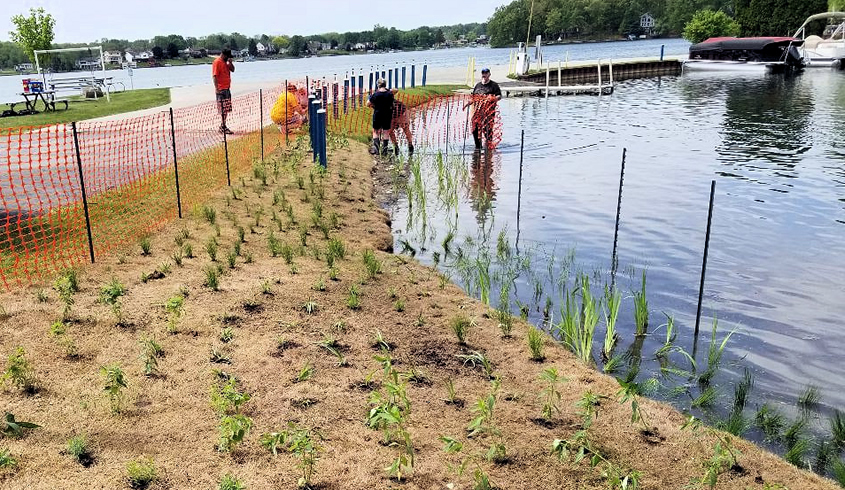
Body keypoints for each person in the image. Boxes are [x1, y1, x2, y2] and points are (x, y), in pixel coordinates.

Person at [464, 67, 501, 150]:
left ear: (489, 74)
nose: (484, 74)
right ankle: (478, 147)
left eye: (486, 73)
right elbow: (473, 98)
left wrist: (493, 98)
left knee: (487, 130)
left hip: (488, 113)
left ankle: (488, 149)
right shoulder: (478, 85)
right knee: (474, 129)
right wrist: (468, 103)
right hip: (477, 112)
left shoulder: (494, 85)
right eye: (483, 73)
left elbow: (499, 96)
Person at [367, 78, 394, 155]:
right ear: (385, 85)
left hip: (378, 114)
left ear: (378, 85)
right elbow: (392, 104)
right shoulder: (390, 94)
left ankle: (376, 149)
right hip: (387, 114)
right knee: (386, 131)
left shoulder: (375, 94)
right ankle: (385, 150)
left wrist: (371, 100)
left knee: (375, 131)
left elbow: (368, 104)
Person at [212, 48, 235, 134]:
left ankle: (223, 125)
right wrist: (217, 88)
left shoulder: (226, 63)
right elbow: (214, 76)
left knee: (227, 109)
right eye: (228, 57)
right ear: (223, 55)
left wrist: (230, 63)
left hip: (227, 88)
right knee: (222, 109)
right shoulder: (217, 62)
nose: (228, 58)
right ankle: (223, 126)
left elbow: (232, 70)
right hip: (221, 90)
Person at [389, 89, 413, 155]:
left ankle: (410, 145)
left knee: (405, 129)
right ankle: (396, 146)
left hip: (402, 113)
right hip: (392, 115)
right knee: (390, 131)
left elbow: (396, 90)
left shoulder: (388, 93)